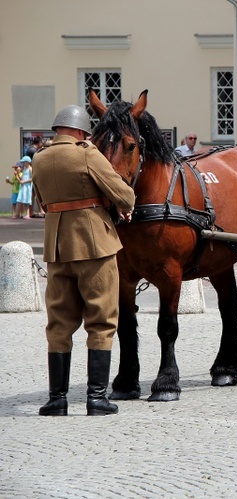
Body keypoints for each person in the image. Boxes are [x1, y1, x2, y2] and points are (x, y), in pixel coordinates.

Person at [32, 104, 135, 416]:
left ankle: (57, 399)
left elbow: (41, 201)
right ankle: (96, 398)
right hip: (93, 245)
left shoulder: (39, 158)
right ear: (79, 131)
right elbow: (125, 194)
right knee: (102, 318)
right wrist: (114, 202)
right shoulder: (87, 153)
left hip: (57, 248)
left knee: (59, 322)